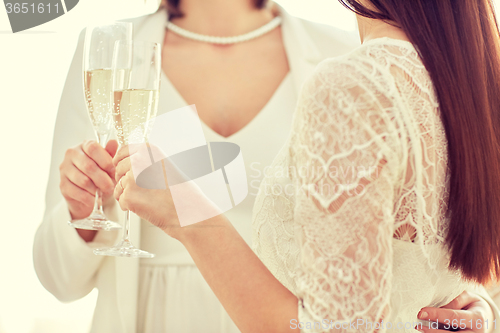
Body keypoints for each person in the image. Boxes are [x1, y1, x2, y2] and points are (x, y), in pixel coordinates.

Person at [33, 0, 499, 332]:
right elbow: (57, 278)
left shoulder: (347, 57)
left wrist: (474, 304)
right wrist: (82, 215)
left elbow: (431, 234)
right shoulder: (110, 52)